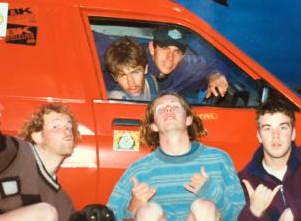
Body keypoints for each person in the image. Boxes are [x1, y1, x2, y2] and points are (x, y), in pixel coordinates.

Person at [107, 93, 245, 221]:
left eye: (175, 106)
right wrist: (132, 207)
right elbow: (109, 216)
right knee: (147, 210)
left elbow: (242, 216)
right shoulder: (139, 170)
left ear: (188, 120)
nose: (168, 109)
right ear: (153, 126)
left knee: (204, 206)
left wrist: (213, 193)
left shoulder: (218, 159)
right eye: (160, 108)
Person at [148, 26, 228, 99]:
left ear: (183, 56)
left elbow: (215, 64)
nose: (170, 57)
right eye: (165, 48)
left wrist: (216, 75)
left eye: (177, 51)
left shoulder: (185, 67)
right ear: (152, 48)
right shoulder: (139, 61)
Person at [105, 37, 158, 101]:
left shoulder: (151, 82)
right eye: (123, 75)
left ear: (146, 69)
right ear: (114, 77)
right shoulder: (116, 99)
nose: (130, 82)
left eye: (135, 72)